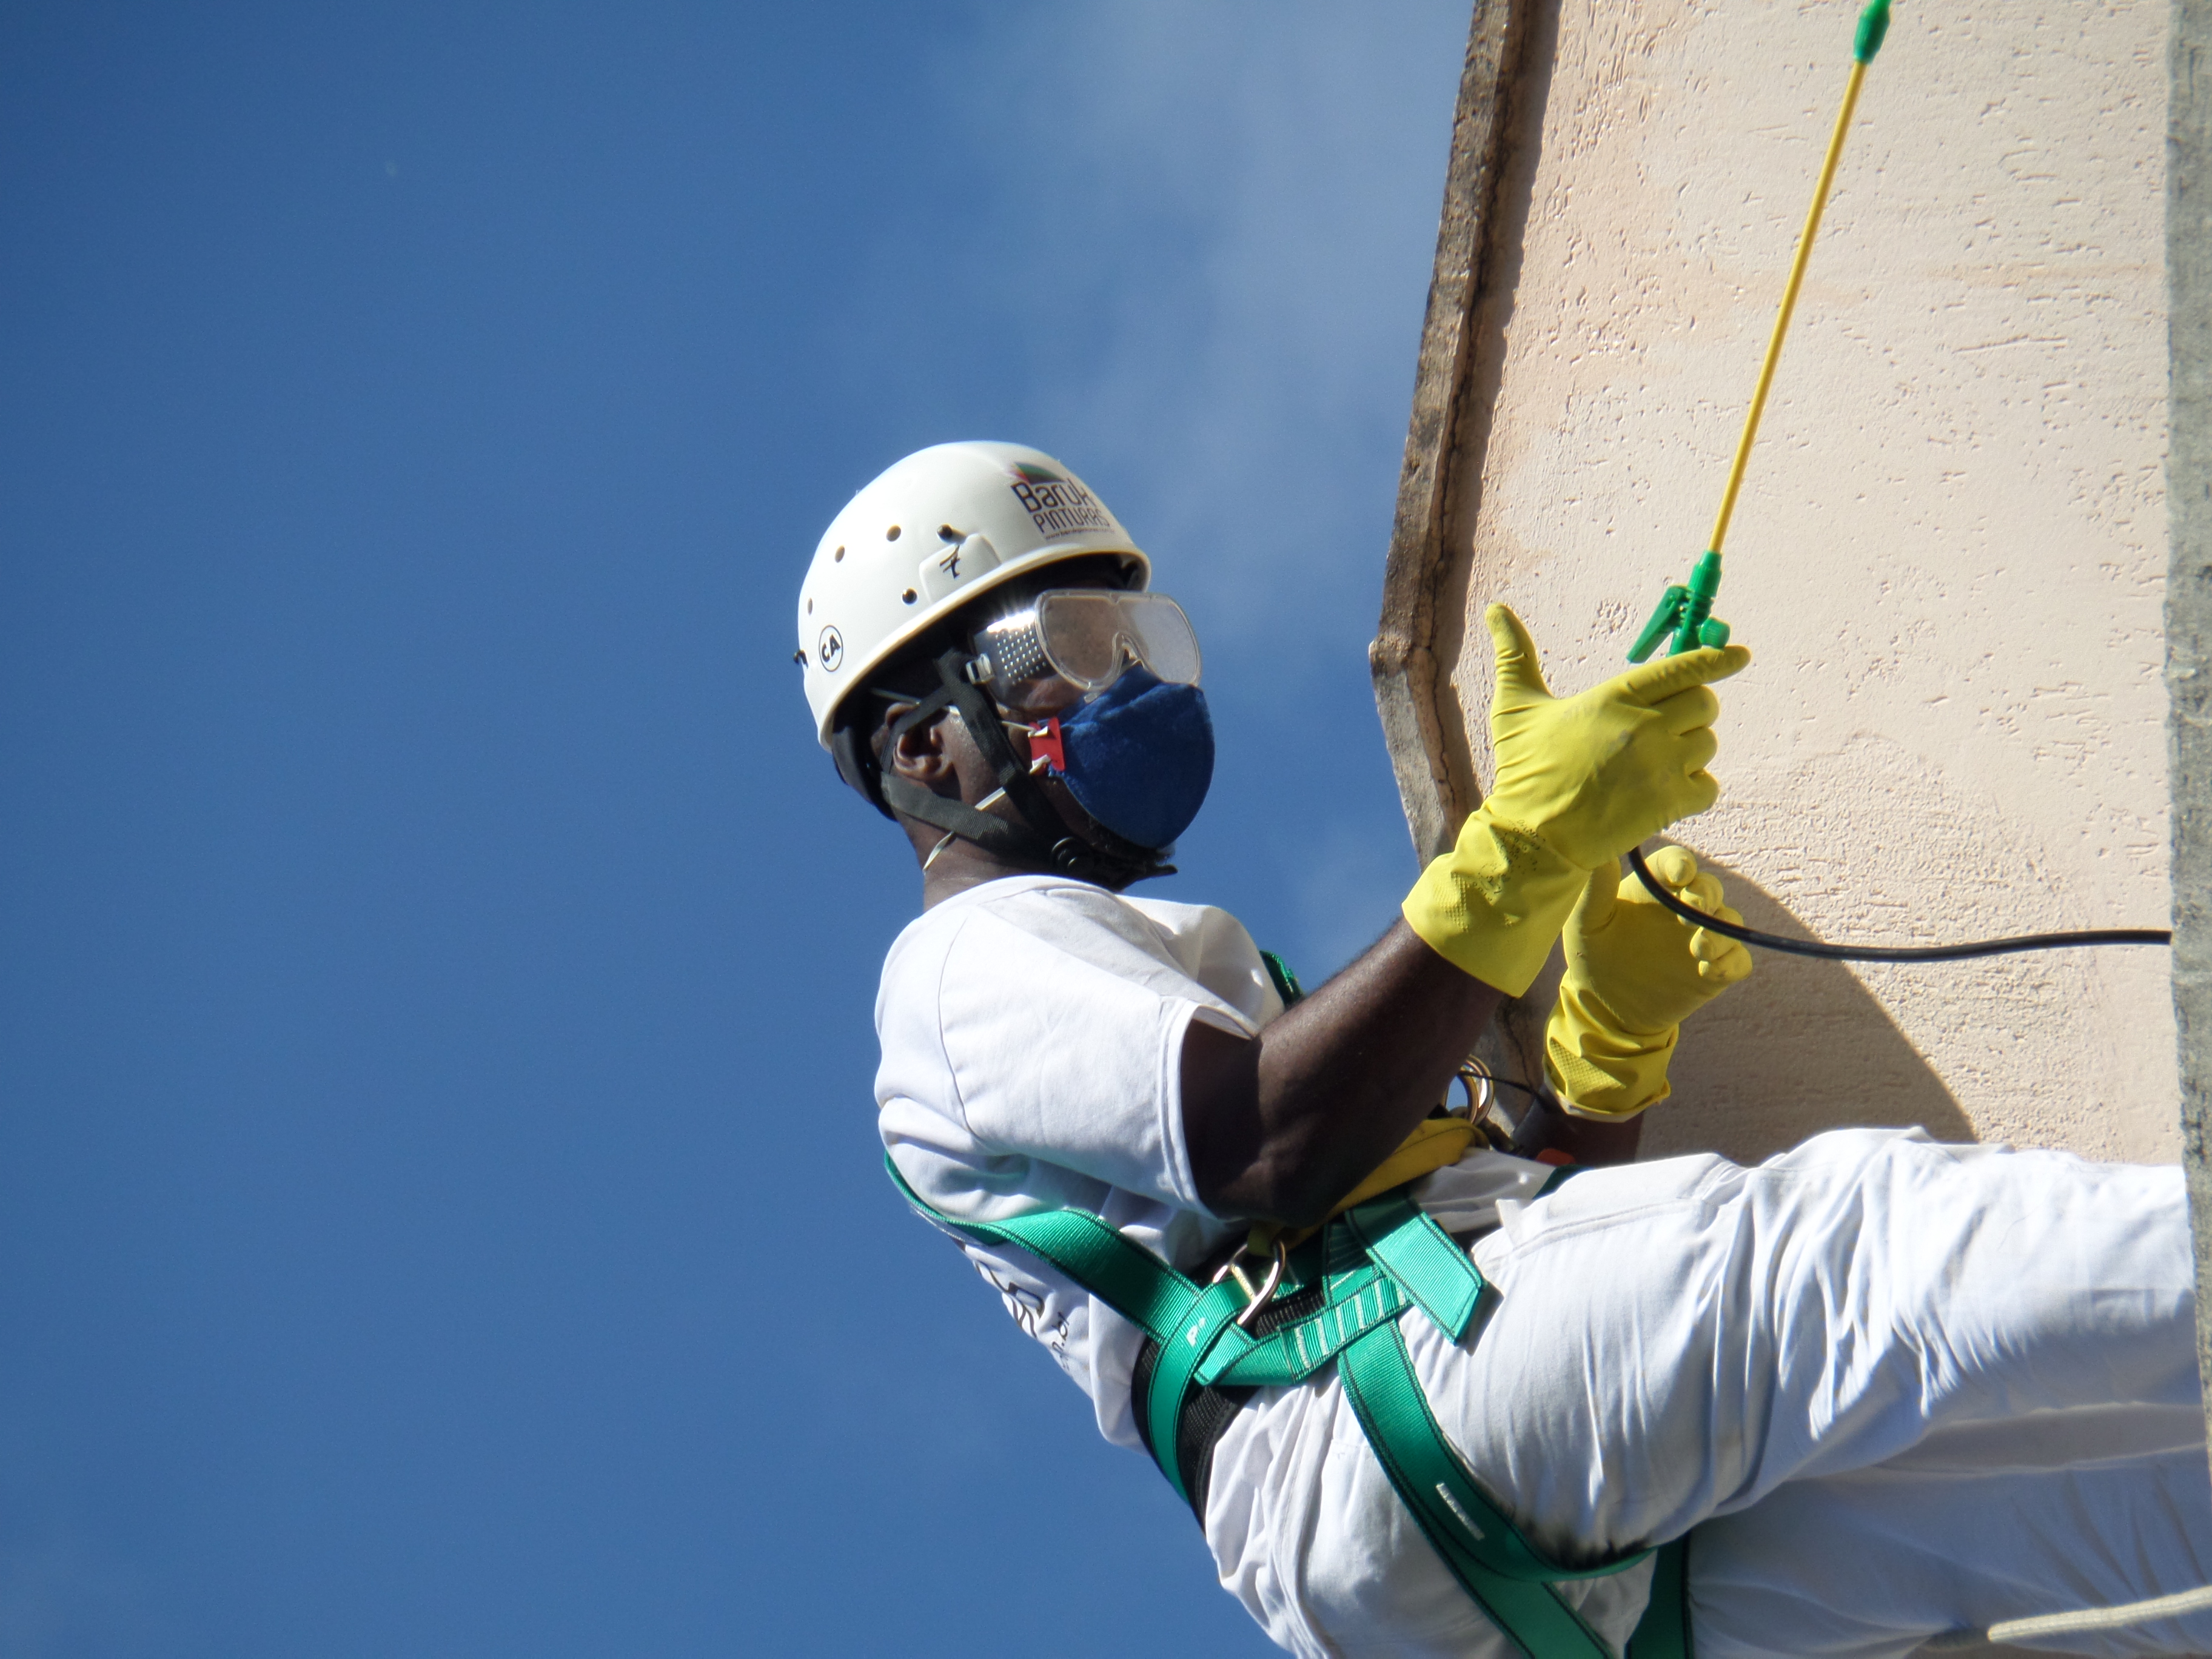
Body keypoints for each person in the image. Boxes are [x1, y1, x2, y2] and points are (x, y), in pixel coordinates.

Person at [799, 440, 2212, 1658]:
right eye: (1070, 653)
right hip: (1381, 1415)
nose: (1129, 692)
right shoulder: (965, 965)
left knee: (2073, 1523)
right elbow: (1272, 1145)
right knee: (1854, 1255)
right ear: (926, 750)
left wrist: (1607, 1061)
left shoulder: (1114, 978)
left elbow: (1435, 1257)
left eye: (1138, 644)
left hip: (1420, 1524)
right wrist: (1521, 851)